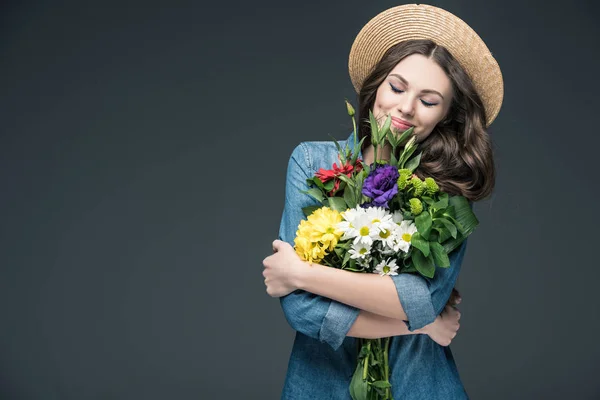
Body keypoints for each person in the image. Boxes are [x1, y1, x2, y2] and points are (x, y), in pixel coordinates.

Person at [262, 4, 503, 399]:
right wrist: (421, 326)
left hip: (420, 385)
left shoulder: (447, 187)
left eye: (429, 100)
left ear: (446, 114)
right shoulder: (312, 162)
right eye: (397, 87)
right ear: (375, 86)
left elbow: (423, 300)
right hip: (320, 384)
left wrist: (301, 275)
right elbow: (302, 312)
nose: (406, 107)